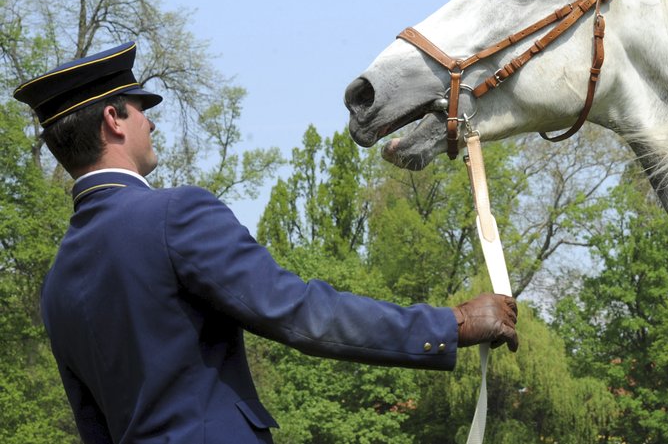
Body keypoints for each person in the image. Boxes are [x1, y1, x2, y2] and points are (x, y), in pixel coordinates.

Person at [13, 42, 518, 444]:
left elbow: (92, 426)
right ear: (113, 120)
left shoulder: (56, 282)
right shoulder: (173, 213)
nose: (152, 121)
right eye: (141, 108)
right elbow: (300, 313)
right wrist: (449, 324)